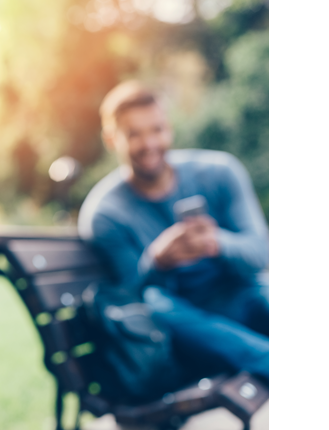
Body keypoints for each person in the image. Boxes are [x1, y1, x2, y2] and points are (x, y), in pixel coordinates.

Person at [77, 81, 269, 384]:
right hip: (181, 332)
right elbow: (132, 297)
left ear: (170, 129)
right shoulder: (105, 214)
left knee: (263, 295)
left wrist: (216, 243)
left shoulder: (220, 172)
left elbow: (261, 255)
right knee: (157, 301)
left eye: (157, 129)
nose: (149, 143)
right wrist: (157, 261)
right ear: (111, 139)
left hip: (239, 300)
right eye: (134, 134)